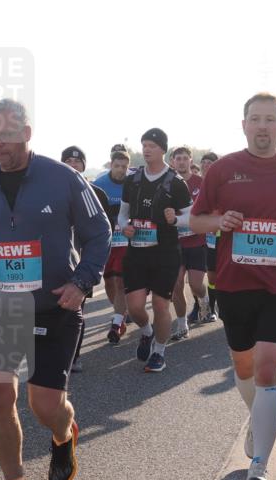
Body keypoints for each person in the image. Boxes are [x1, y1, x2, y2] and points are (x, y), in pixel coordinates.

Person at [0, 98, 109, 480]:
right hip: (2, 305)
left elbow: (99, 233)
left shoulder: (64, 178)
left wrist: (82, 282)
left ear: (26, 132)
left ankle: (64, 433)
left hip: (55, 304)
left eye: (6, 135)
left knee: (45, 405)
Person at [190, 92, 276, 480]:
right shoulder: (223, 170)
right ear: (244, 125)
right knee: (243, 366)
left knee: (267, 369)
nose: (263, 126)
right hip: (235, 281)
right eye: (255, 119)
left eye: (270, 119)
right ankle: (257, 420)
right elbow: (196, 220)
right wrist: (219, 221)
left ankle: (259, 467)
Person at [117, 128, 193, 373]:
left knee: (160, 305)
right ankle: (147, 332)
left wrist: (176, 219)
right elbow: (122, 214)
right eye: (144, 145)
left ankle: (159, 352)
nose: (147, 149)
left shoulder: (176, 182)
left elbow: (191, 216)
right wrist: (124, 227)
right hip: (137, 252)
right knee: (135, 307)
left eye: (152, 145)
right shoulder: (133, 179)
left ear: (163, 150)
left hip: (165, 253)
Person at [61, 145, 110, 372]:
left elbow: (104, 232)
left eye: (77, 161)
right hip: (58, 260)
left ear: (84, 165)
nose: (73, 165)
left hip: (83, 261)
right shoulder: (51, 191)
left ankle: (74, 355)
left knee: (76, 308)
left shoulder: (97, 193)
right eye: (68, 162)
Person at [93, 145, 134, 344]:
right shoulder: (99, 184)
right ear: (111, 165)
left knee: (120, 282)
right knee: (109, 282)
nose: (121, 170)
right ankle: (120, 313)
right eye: (117, 166)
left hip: (126, 242)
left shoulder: (133, 184)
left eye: (124, 167)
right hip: (107, 242)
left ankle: (117, 322)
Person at [169, 146, 208, 340]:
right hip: (175, 244)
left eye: (185, 158)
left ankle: (204, 298)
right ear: (172, 162)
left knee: (195, 285)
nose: (182, 162)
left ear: (191, 161)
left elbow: (211, 207)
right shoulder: (167, 183)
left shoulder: (201, 183)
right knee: (176, 284)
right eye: (178, 158)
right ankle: (182, 324)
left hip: (197, 242)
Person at [199, 152, 220, 322]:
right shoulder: (195, 183)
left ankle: (221, 304)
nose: (206, 165)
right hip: (204, 237)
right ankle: (210, 308)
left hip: (223, 236)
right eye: (204, 162)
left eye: (210, 162)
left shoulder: (223, 184)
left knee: (224, 274)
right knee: (209, 275)